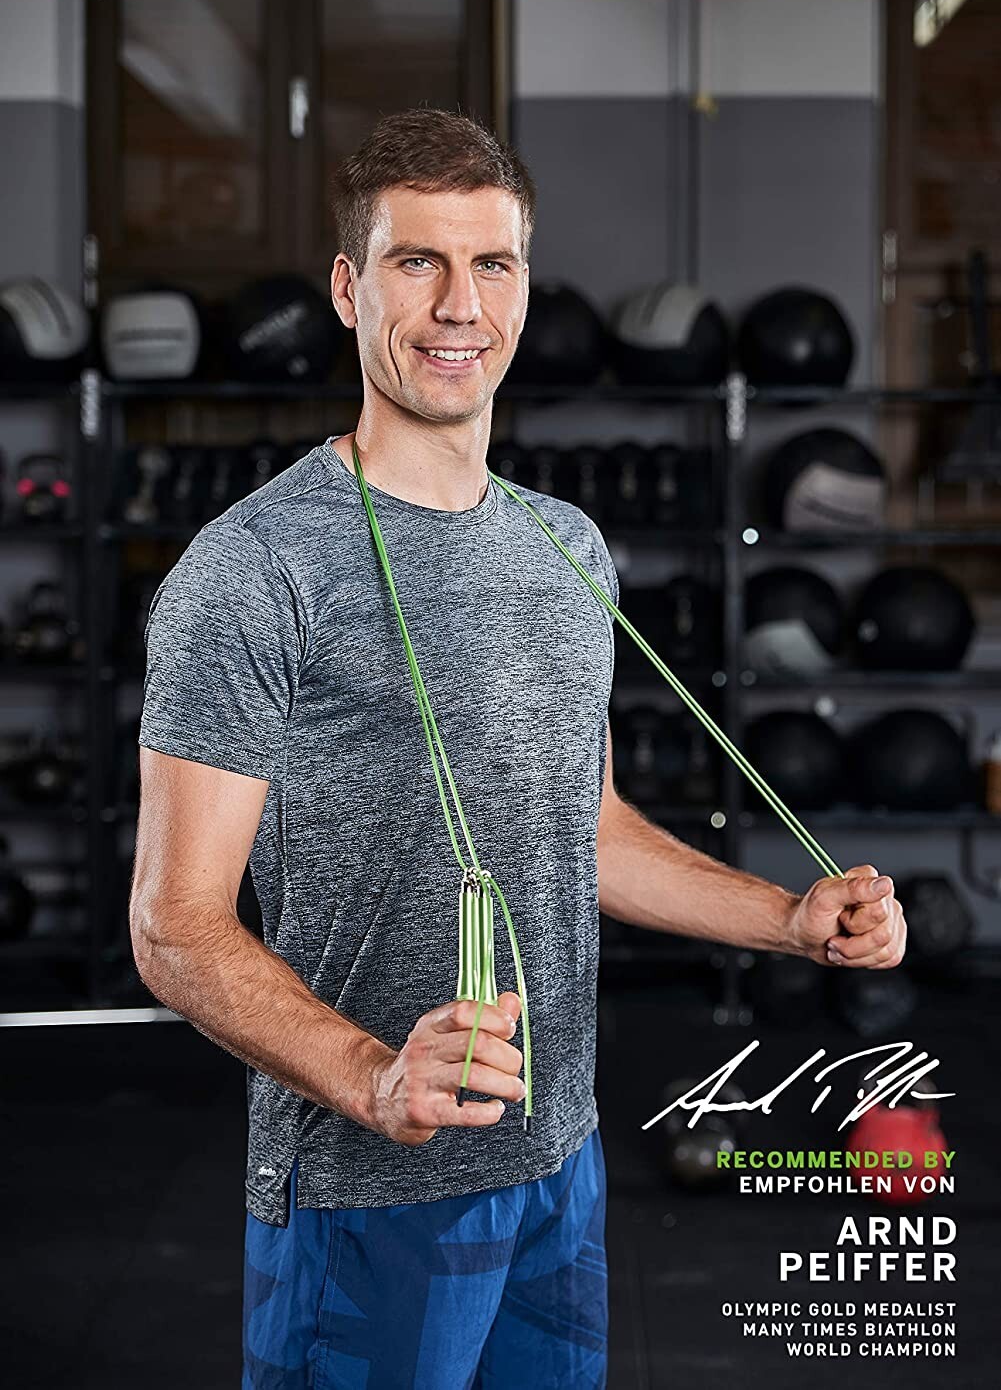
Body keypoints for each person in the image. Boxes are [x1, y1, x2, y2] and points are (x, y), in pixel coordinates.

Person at [130, 107, 907, 1389]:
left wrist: (785, 920)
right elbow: (173, 927)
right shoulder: (254, 569)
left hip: (556, 1161)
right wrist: (373, 1080)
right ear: (348, 289)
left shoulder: (566, 547)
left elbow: (582, 830)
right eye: (416, 263)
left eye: (490, 264)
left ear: (525, 289)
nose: (458, 306)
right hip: (369, 1185)